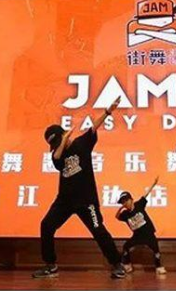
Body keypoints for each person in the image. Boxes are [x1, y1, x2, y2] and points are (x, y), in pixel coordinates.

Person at [32, 98, 126, 279]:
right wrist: (62, 141)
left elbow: (94, 127)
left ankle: (117, 264)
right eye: (54, 145)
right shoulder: (57, 155)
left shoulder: (82, 144)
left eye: (57, 142)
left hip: (86, 200)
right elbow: (56, 158)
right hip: (64, 201)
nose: (56, 147)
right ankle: (50, 265)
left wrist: (108, 111)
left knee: (98, 230)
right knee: (46, 225)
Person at [116, 176, 166, 275]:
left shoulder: (139, 205)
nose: (125, 203)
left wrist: (154, 184)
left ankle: (158, 267)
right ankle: (127, 265)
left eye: (126, 200)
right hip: (137, 236)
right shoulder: (125, 214)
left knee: (156, 250)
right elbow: (117, 217)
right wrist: (120, 208)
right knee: (126, 246)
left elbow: (146, 195)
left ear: (131, 199)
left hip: (148, 234)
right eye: (122, 202)